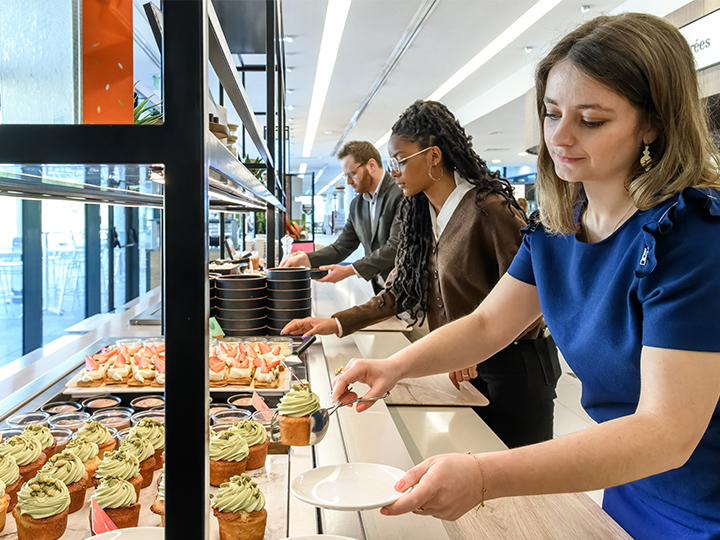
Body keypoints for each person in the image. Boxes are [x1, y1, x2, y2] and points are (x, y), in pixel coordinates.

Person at [330, 13, 720, 540]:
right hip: (627, 487)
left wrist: (485, 474)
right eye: (552, 113)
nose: (559, 136)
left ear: (652, 123)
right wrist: (394, 367)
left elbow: (667, 432)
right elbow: (490, 323)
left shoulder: (691, 238)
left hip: (702, 503)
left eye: (592, 120)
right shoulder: (559, 228)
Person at [283, 100, 561, 449]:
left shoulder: (488, 209)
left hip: (516, 369)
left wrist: (475, 350)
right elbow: (399, 291)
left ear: (433, 156)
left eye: (400, 159)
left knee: (519, 484)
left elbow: (536, 302)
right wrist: (334, 323)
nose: (394, 170)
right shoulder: (421, 216)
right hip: (463, 363)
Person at [280, 141, 402, 294]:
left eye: (352, 174)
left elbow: (396, 246)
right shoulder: (357, 205)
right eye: (346, 176)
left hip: (409, 290)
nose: (349, 182)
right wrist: (305, 260)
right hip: (382, 292)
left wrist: (351, 270)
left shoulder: (400, 193)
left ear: (371, 165)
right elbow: (341, 247)